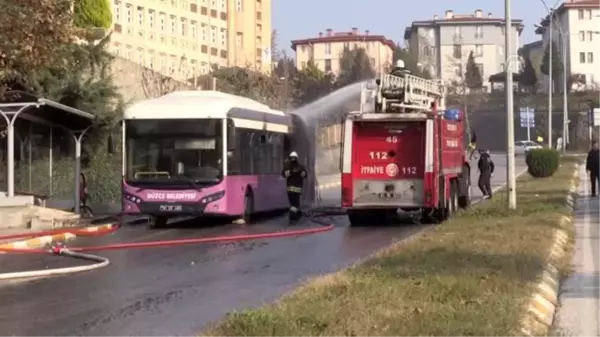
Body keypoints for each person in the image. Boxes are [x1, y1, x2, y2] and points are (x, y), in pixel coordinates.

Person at [282, 151, 307, 225]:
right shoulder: (301, 167)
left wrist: (286, 167)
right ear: (297, 158)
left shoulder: (287, 168)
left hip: (289, 190)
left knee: (292, 204)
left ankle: (293, 216)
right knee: (295, 205)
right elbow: (305, 175)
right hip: (297, 190)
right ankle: (293, 217)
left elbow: (284, 174)